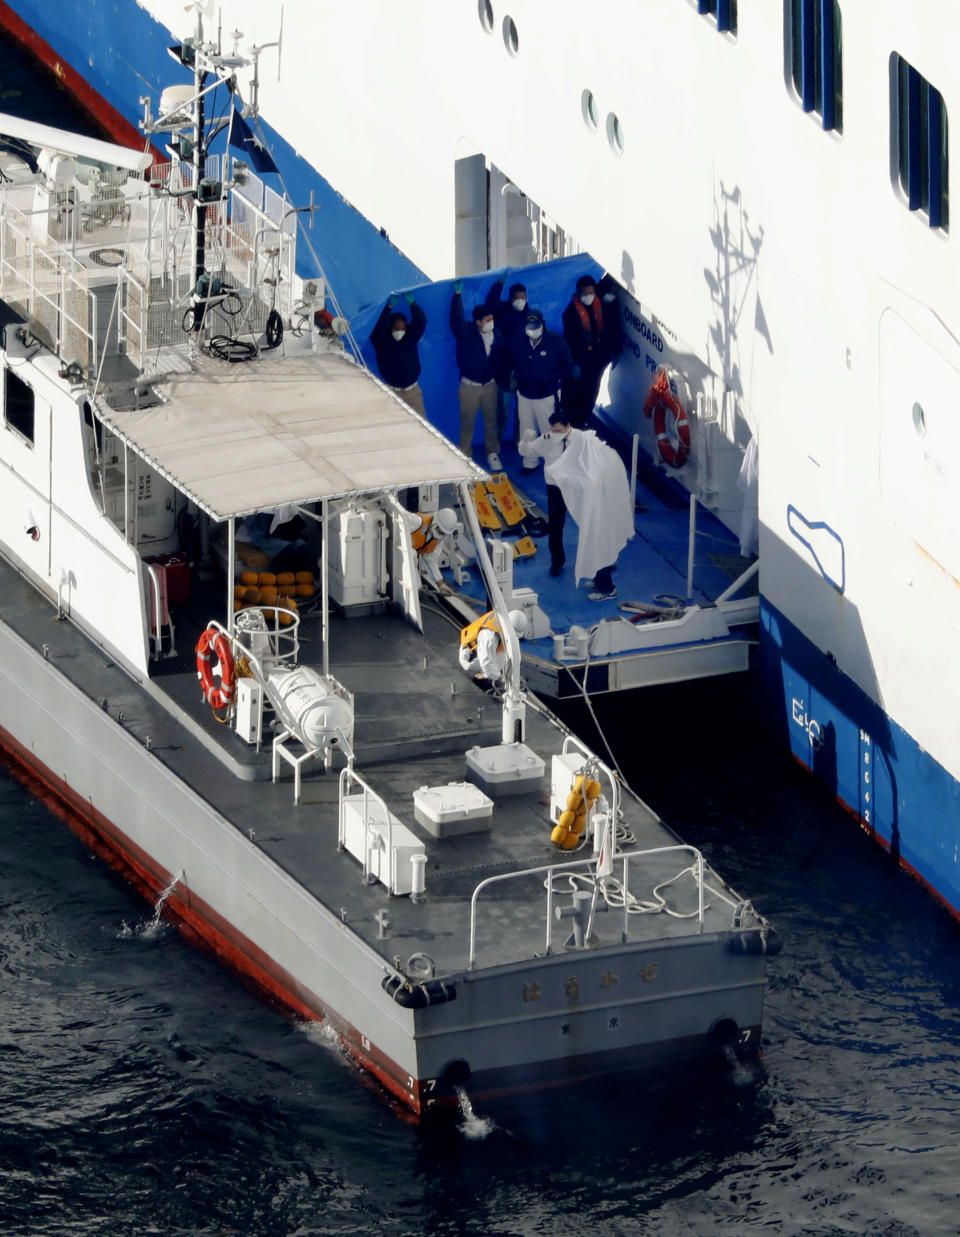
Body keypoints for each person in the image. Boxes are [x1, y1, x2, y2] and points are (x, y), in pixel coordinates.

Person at [544, 425, 635, 601]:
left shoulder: (595, 468)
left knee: (600, 550)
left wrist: (562, 478)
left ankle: (606, 589)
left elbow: (585, 485)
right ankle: (599, 581)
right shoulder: (606, 457)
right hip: (605, 514)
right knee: (600, 550)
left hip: (601, 517)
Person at [518, 410, 585, 577]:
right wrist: (525, 441)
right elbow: (528, 451)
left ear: (568, 426)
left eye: (559, 431)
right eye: (553, 430)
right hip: (555, 487)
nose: (555, 434)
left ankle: (598, 561)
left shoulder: (581, 439)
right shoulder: (547, 439)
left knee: (588, 524)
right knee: (556, 526)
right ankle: (557, 561)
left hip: (577, 487)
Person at [450, 282, 505, 468]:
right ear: (478, 322)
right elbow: (456, 320)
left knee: (491, 421)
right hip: (469, 387)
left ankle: (492, 452)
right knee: (467, 422)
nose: (491, 322)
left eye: (492, 319)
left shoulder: (496, 333)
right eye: (487, 320)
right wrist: (457, 296)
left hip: (490, 385)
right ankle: (465, 455)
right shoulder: (466, 333)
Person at [511, 310, 574, 470]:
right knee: (526, 429)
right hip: (525, 394)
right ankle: (529, 462)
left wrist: (548, 375)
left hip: (546, 395)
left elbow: (567, 367)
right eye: (530, 327)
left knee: (549, 430)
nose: (533, 330)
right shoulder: (518, 341)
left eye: (536, 327)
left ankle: (554, 465)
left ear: (542, 325)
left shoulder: (556, 342)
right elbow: (510, 361)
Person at [484, 276, 540, 443]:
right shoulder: (502, 312)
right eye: (516, 298)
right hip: (505, 375)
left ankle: (520, 442)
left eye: (523, 297)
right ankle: (496, 445)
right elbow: (491, 303)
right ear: (510, 298)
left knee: (524, 412)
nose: (520, 301)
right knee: (502, 412)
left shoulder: (531, 317)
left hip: (524, 374)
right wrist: (498, 284)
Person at [561, 274, 617, 427]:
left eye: (591, 293)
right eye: (585, 294)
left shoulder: (601, 304)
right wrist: (576, 362)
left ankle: (583, 419)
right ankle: (571, 422)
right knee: (574, 391)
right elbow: (570, 340)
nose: (588, 296)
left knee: (592, 390)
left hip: (597, 358)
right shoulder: (570, 313)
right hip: (579, 358)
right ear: (579, 293)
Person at [369, 291, 427, 416]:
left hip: (413, 392)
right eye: (396, 328)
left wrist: (413, 304)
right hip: (392, 393)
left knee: (422, 428)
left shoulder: (410, 338)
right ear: (390, 328)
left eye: (402, 329)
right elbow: (377, 328)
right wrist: (388, 308)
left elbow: (421, 321)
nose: (400, 331)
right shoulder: (382, 342)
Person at [458, 608, 528, 681]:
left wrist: (515, 675)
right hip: (470, 655)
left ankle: (490, 673)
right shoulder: (489, 636)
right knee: (491, 664)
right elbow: (486, 661)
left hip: (487, 646)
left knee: (503, 658)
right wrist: (501, 679)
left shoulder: (505, 622)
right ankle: (484, 675)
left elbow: (515, 653)